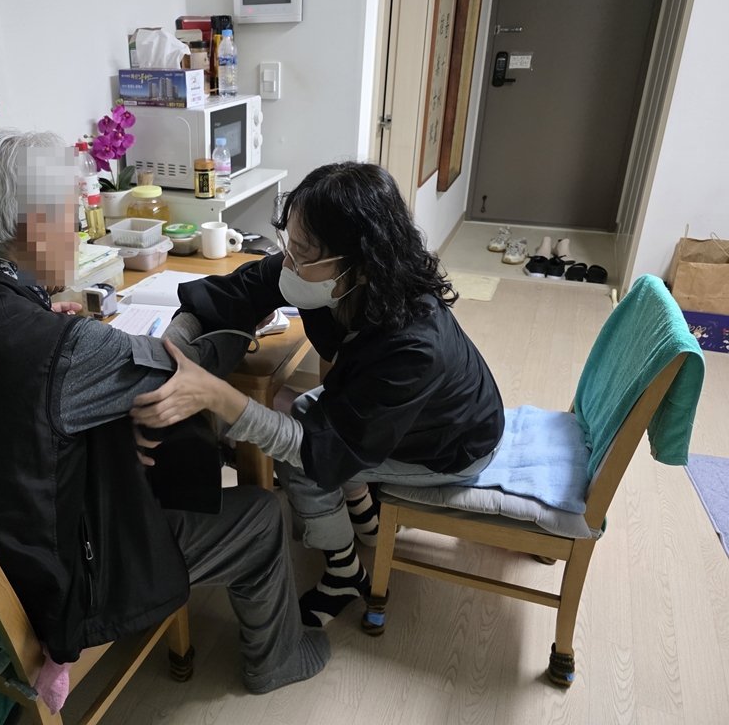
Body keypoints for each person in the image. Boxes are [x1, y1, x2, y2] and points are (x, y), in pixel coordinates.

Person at [0, 129, 329, 694]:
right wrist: (240, 326)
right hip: (52, 587)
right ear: (35, 228)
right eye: (72, 218)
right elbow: (183, 371)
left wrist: (48, 323)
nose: (80, 234)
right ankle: (277, 661)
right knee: (260, 515)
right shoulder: (66, 350)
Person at [130, 162, 505, 628]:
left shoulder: (413, 346)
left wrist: (219, 397)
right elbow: (226, 297)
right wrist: (169, 359)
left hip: (452, 445)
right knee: (306, 411)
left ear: (362, 264)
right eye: (289, 244)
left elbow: (323, 452)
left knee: (299, 460)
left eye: (302, 253)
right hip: (392, 418)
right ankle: (365, 517)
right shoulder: (328, 276)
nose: (287, 263)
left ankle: (345, 572)